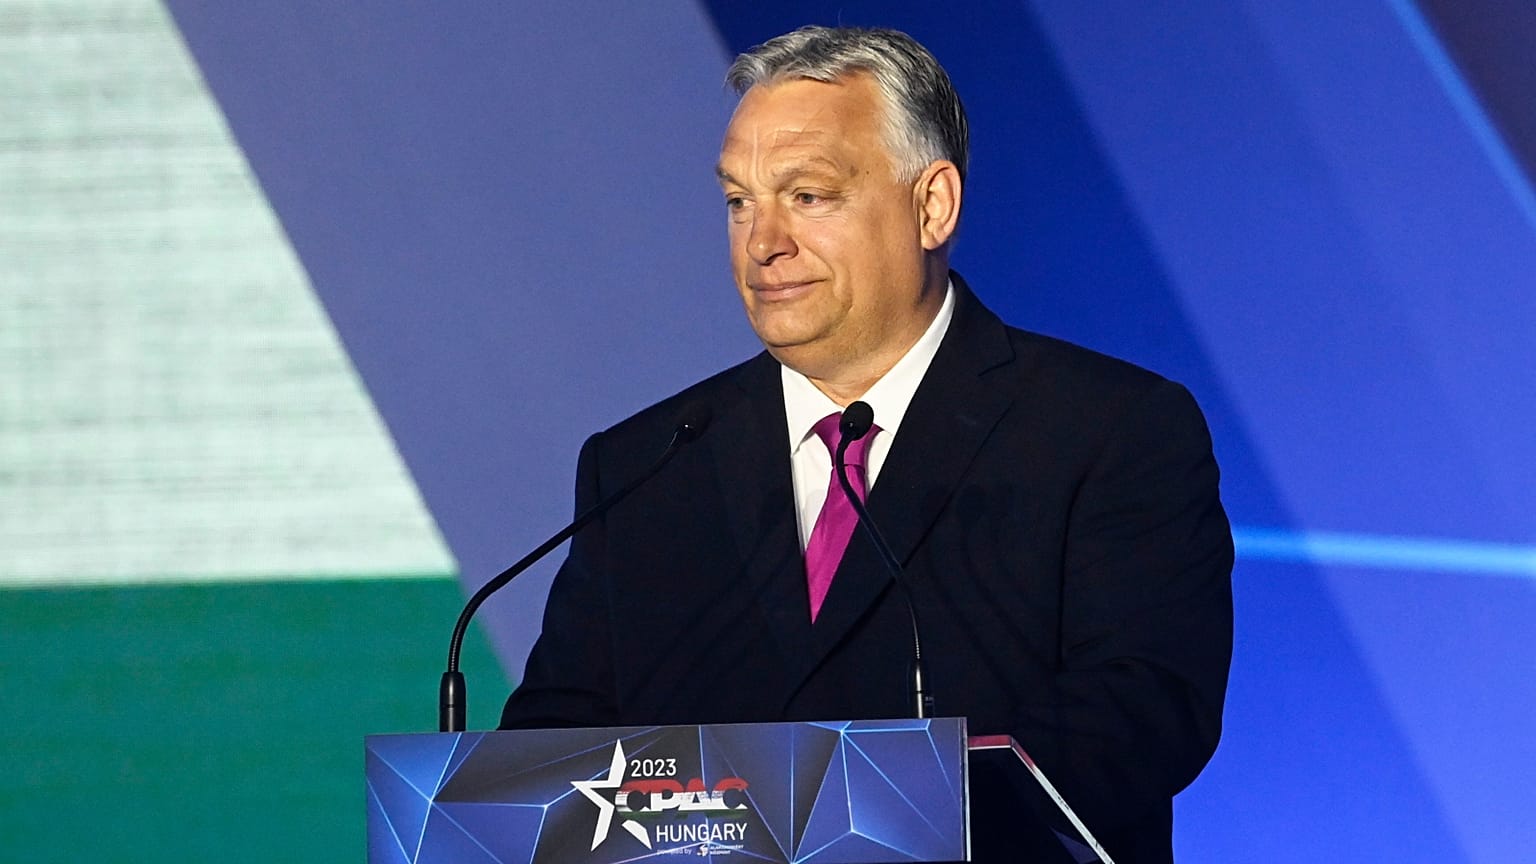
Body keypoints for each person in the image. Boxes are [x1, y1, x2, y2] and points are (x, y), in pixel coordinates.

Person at [501, 25, 1232, 864]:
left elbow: (1144, 712)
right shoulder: (647, 462)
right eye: (740, 201)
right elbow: (548, 758)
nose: (763, 243)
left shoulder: (1107, 429)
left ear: (933, 205)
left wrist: (889, 808)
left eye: (807, 196)